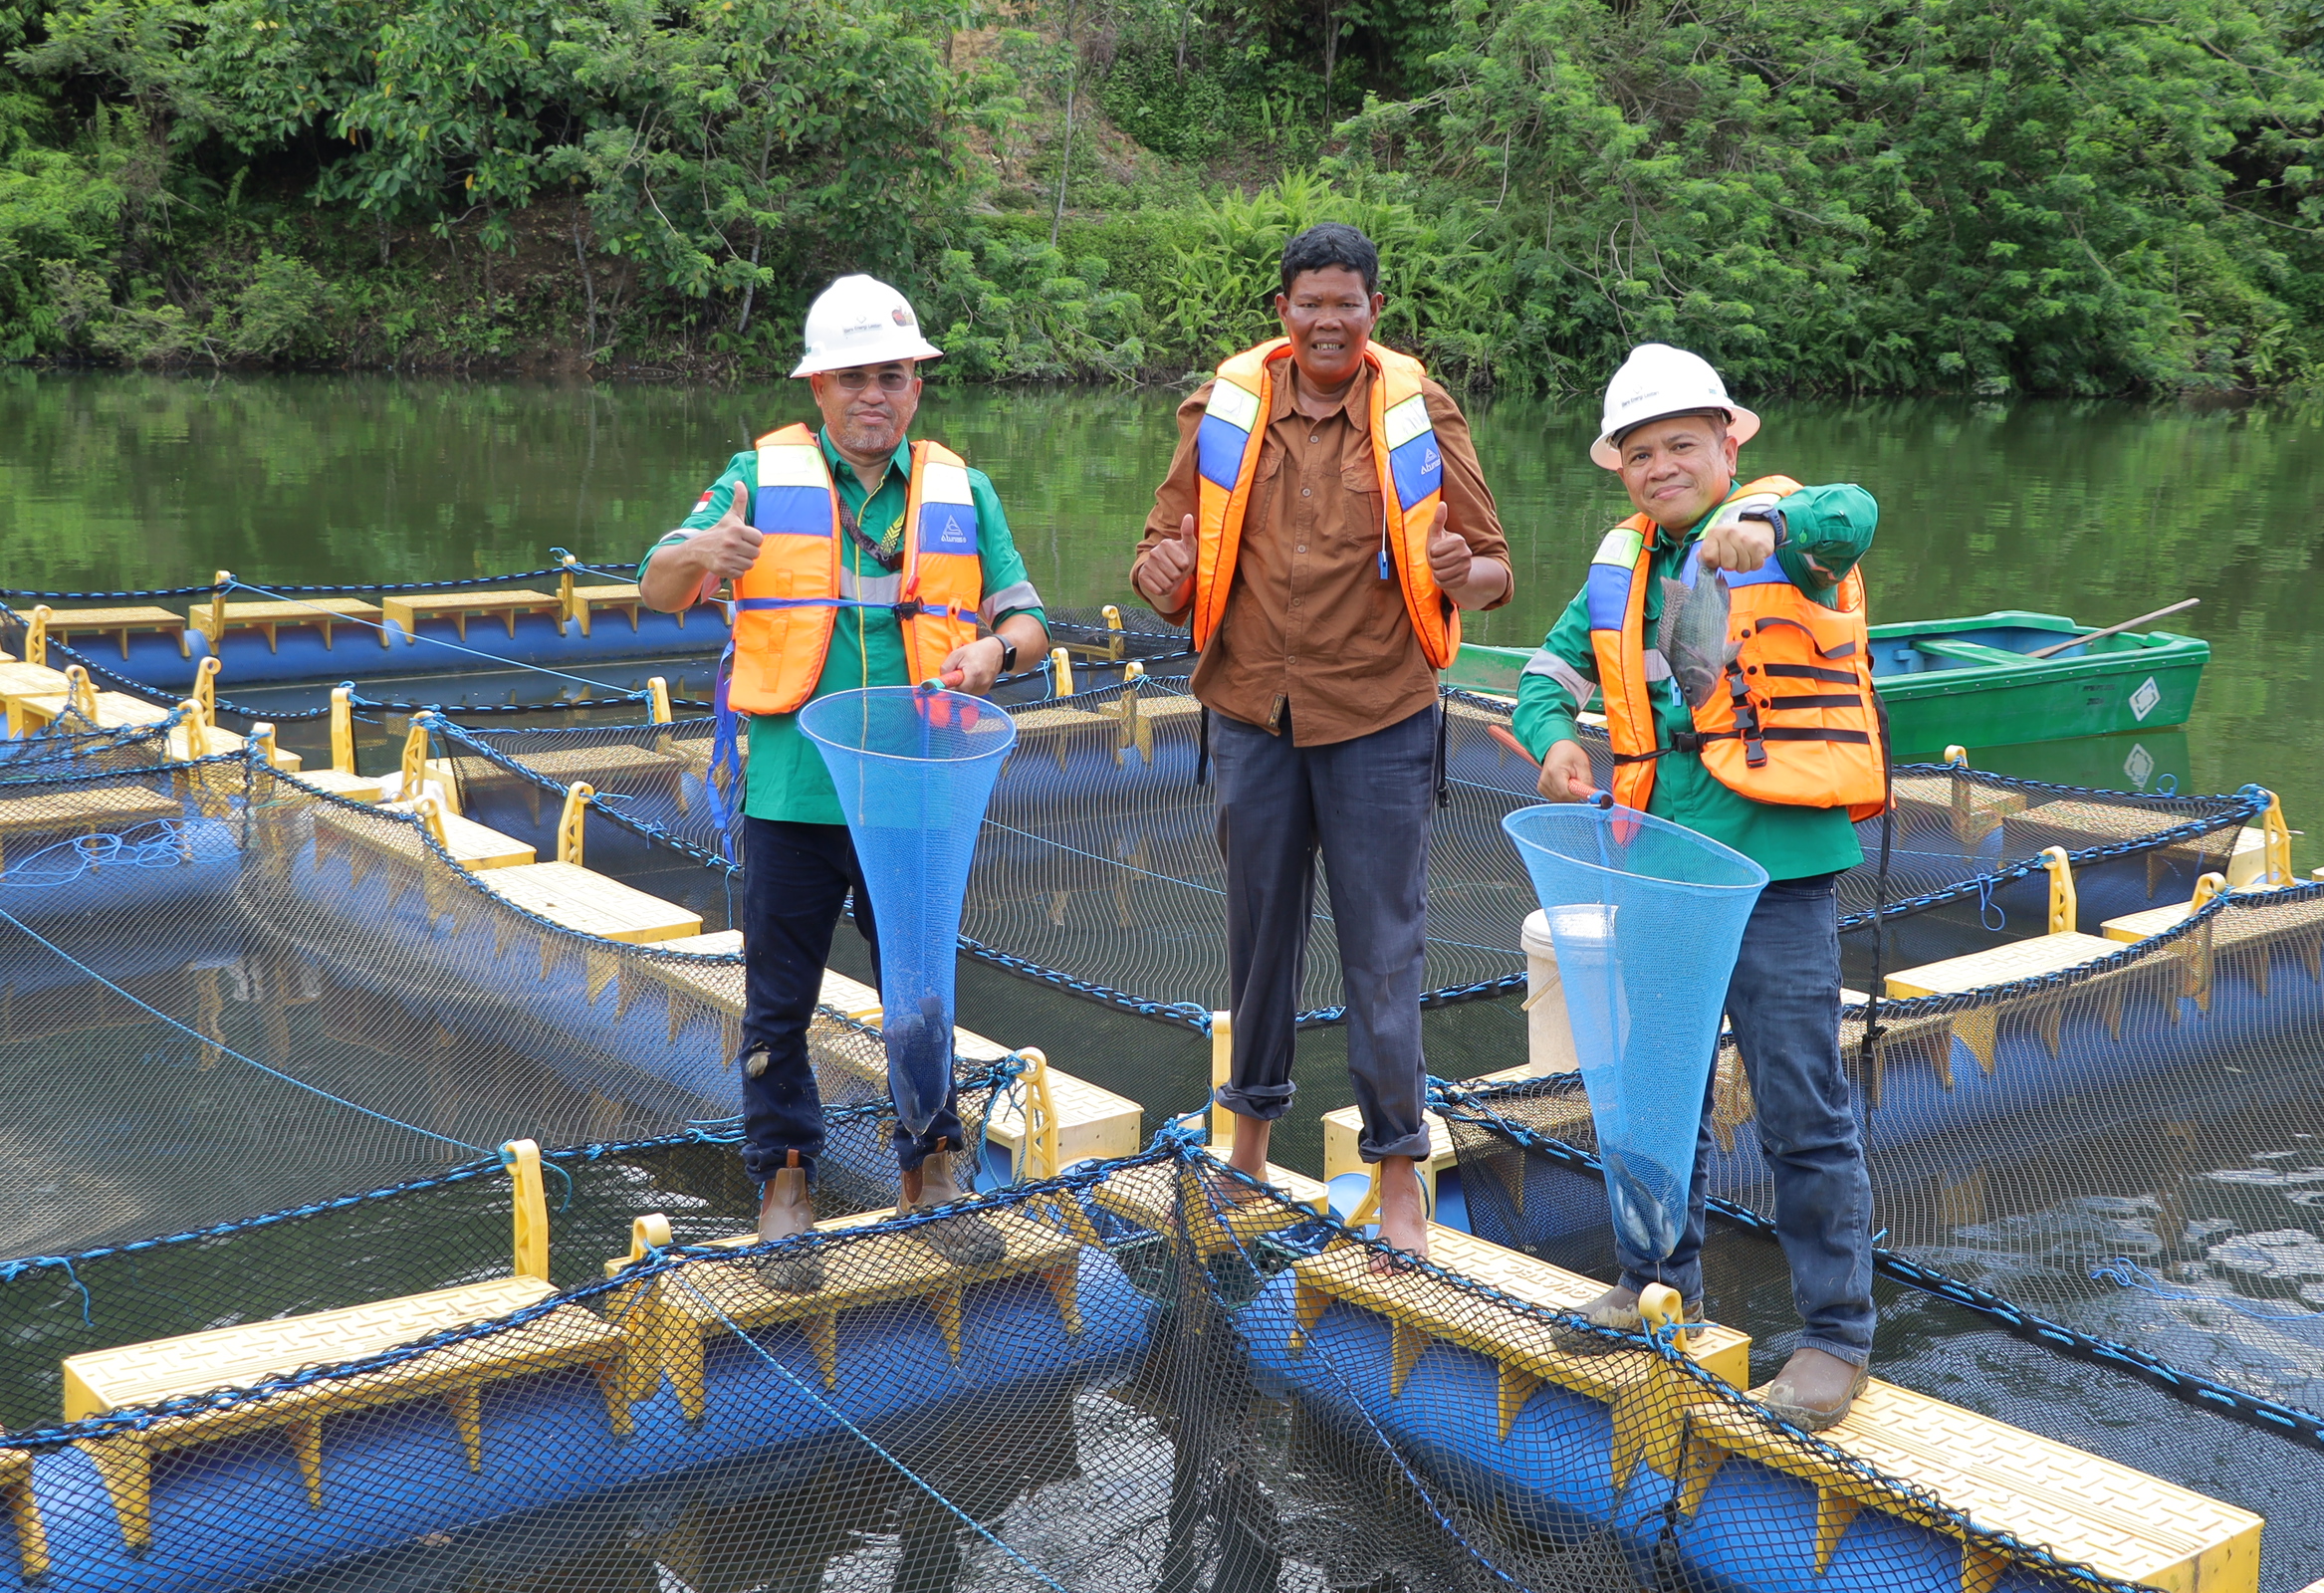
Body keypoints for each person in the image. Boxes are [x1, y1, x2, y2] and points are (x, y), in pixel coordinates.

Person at [638, 274, 1052, 1291]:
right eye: (856, 376)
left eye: (896, 377)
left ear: (917, 387)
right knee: (779, 1002)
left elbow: (1030, 623)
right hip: (792, 789)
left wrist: (994, 657)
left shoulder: (962, 488)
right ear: (819, 387)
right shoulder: (755, 476)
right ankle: (786, 1185)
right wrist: (700, 551)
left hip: (914, 790)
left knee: (922, 993)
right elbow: (654, 585)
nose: (878, 394)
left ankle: (930, 1169)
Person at [1511, 341, 1886, 1432]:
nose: (1661, 465)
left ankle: (1835, 1337)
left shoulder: (1789, 534)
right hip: (1657, 867)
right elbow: (1548, 671)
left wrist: (1770, 529)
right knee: (1650, 1088)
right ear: (1618, 467)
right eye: (1640, 451)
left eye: (1682, 443)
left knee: (1801, 1105)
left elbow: (1850, 512)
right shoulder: (1619, 562)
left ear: (1730, 443)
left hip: (1774, 870)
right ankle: (1652, 1279)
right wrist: (1551, 740)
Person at [1130, 223, 1512, 1267]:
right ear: (1283, 313)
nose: (1328, 321)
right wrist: (1158, 574)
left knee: (1384, 953)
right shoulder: (1224, 409)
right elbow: (1162, 544)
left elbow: (1493, 569)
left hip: (1381, 717)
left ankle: (1399, 1179)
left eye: (1347, 303)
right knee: (1257, 942)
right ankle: (1245, 1152)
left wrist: (1457, 568)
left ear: (1374, 312)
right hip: (1253, 714)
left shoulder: (1420, 414)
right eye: (1310, 304)